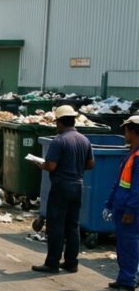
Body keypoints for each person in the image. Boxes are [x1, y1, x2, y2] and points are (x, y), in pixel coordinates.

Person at [30, 105, 95, 274]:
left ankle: (52, 263)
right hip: (77, 185)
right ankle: (71, 262)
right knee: (72, 226)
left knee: (56, 226)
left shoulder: (59, 141)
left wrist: (41, 165)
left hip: (61, 186)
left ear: (59, 122)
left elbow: (51, 166)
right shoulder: (84, 140)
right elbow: (90, 164)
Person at [105, 116, 139, 291]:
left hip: (129, 210)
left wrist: (131, 210)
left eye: (126, 130)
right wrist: (109, 204)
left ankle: (127, 284)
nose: (124, 134)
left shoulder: (137, 157)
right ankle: (123, 278)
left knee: (128, 246)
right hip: (122, 206)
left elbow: (137, 188)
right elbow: (120, 182)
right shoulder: (131, 155)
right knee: (123, 245)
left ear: (132, 131)